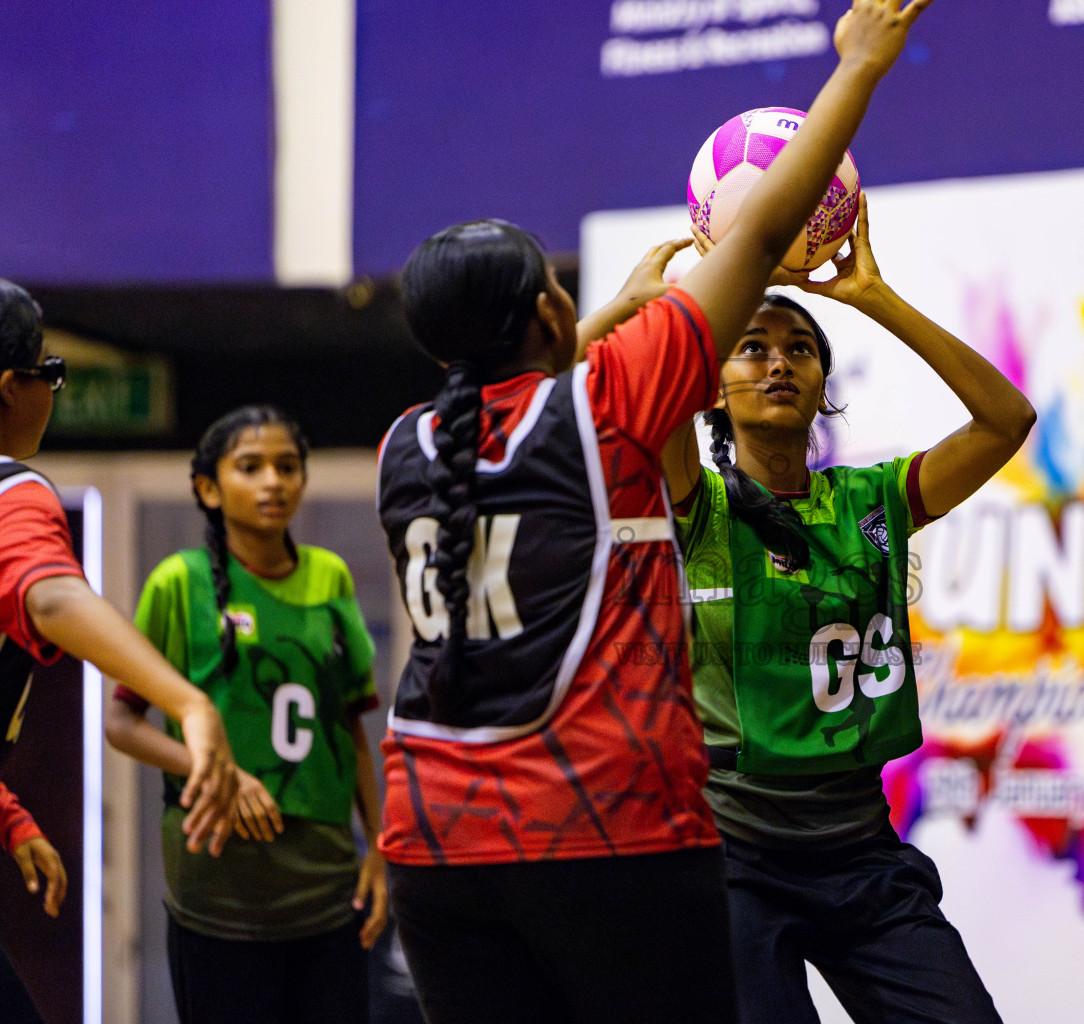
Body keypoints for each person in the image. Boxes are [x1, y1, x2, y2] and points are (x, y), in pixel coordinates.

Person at [373, 4, 936, 1021]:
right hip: (598, 826)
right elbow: (761, 229)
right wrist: (859, 66)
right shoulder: (611, 401)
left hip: (433, 838)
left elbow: (512, 394)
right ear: (551, 313)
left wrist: (595, 321)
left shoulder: (408, 447)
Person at [662, 194, 1035, 1024]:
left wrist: (873, 296)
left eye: (799, 349)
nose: (778, 363)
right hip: (734, 859)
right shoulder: (698, 504)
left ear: (824, 388)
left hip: (862, 851)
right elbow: (657, 388)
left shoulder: (874, 499)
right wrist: (712, 285)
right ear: (713, 389)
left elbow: (1007, 419)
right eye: (751, 348)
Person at [0, 278, 238, 1019]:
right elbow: (51, 597)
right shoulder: (13, 494)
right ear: (10, 387)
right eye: (51, 372)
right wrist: (188, 701)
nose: (54, 392)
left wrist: (8, 816)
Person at [105, 405, 387, 1024]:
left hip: (327, 886)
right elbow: (120, 724)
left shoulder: (331, 576)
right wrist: (216, 773)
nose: (273, 482)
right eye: (251, 467)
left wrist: (379, 847)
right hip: (218, 891)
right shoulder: (178, 583)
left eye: (287, 467)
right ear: (208, 488)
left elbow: (349, 727)